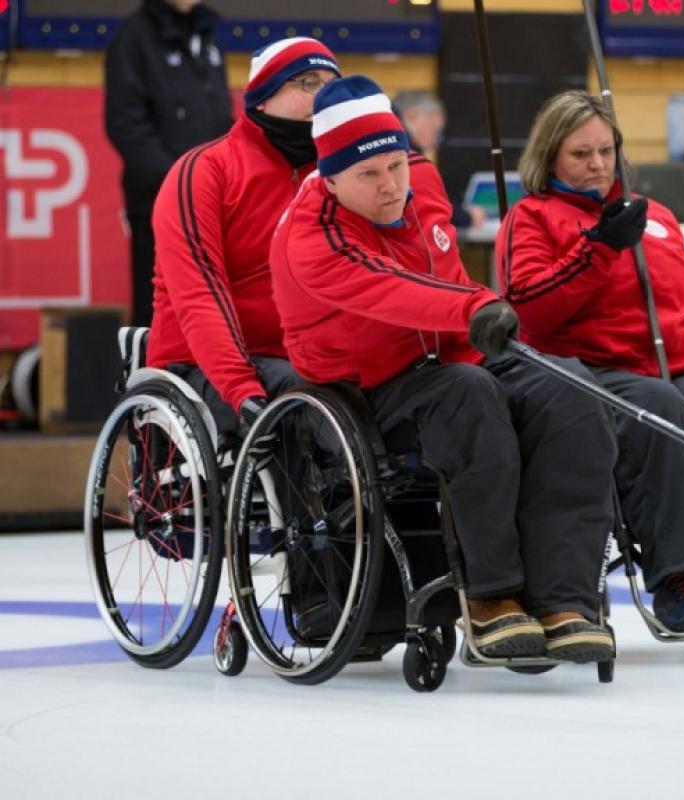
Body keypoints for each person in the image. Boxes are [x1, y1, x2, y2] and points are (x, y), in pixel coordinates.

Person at [270, 76, 618, 664]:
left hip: (450, 356)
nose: (390, 187)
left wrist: (479, 308)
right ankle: (491, 598)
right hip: (366, 389)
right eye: (368, 176)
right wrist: (473, 307)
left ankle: (564, 600)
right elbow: (390, 289)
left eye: (394, 166)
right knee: (470, 396)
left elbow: (449, 272)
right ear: (328, 179)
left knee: (573, 391)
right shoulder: (310, 239)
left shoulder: (418, 183)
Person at [497, 90, 684, 633]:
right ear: (551, 156)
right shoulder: (531, 218)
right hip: (599, 373)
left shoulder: (658, 220)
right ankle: (682, 580)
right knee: (662, 407)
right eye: (581, 154)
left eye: (606, 151)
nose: (598, 165)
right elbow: (530, 306)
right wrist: (599, 248)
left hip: (679, 367)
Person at [146, 36, 341, 437]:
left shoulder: (339, 178)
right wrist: (241, 388)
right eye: (308, 83)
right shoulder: (204, 171)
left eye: (331, 84)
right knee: (305, 396)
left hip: (306, 362)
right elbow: (198, 294)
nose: (324, 97)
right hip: (204, 368)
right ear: (263, 98)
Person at [105, 0, 234, 327]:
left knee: (214, 307)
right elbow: (126, 126)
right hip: (159, 201)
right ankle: (152, 377)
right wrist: (180, 184)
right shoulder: (133, 39)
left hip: (213, 202)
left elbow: (222, 117)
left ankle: (207, 378)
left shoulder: (207, 34)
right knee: (161, 310)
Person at [391, 90, 487, 230]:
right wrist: (466, 216)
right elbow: (428, 206)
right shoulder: (406, 154)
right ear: (412, 116)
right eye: (435, 131)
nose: (436, 142)